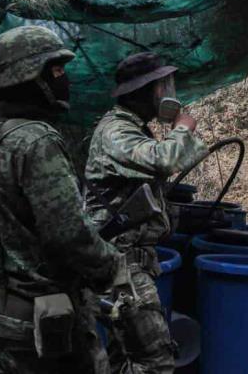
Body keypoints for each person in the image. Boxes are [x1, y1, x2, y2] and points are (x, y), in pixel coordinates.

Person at [0, 25, 124, 374]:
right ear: (29, 76)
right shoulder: (37, 141)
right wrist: (115, 268)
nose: (65, 81)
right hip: (42, 333)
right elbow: (69, 237)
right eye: (56, 71)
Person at [85, 51, 209, 373]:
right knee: (156, 360)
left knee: (122, 360)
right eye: (162, 86)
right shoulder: (115, 131)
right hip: (119, 264)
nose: (168, 94)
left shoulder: (133, 129)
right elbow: (162, 160)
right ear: (147, 91)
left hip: (129, 263)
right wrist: (182, 129)